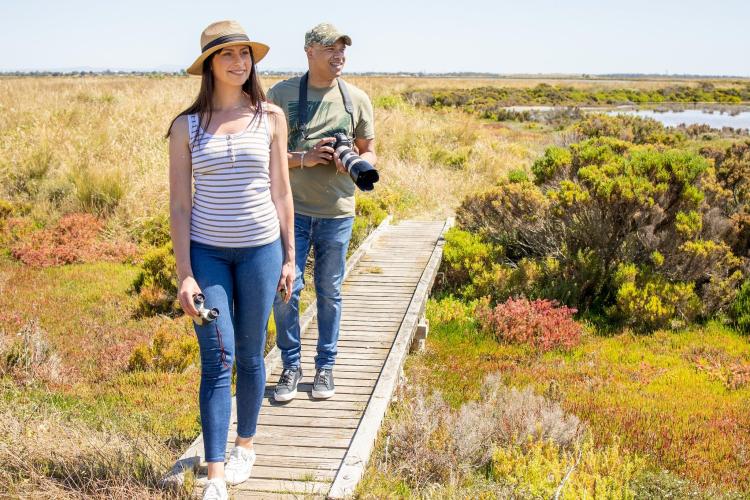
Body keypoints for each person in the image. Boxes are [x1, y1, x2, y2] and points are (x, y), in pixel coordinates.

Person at [167, 20, 295, 500]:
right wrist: (185, 275)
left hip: (261, 251)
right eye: (228, 55)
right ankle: (216, 475)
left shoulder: (271, 118)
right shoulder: (186, 126)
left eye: (245, 54)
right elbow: (180, 205)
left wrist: (288, 257)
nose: (240, 62)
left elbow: (282, 191)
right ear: (209, 66)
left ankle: (245, 445)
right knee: (217, 356)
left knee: (248, 351)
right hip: (208, 254)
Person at [267, 23, 377, 402]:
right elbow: (263, 156)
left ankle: (325, 367)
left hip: (337, 212)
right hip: (290, 212)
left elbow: (370, 151)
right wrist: (305, 158)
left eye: (343, 48)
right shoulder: (279, 95)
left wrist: (356, 162)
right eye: (331, 47)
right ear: (309, 51)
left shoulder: (357, 99)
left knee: (329, 292)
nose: (339, 55)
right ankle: (291, 365)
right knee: (286, 290)